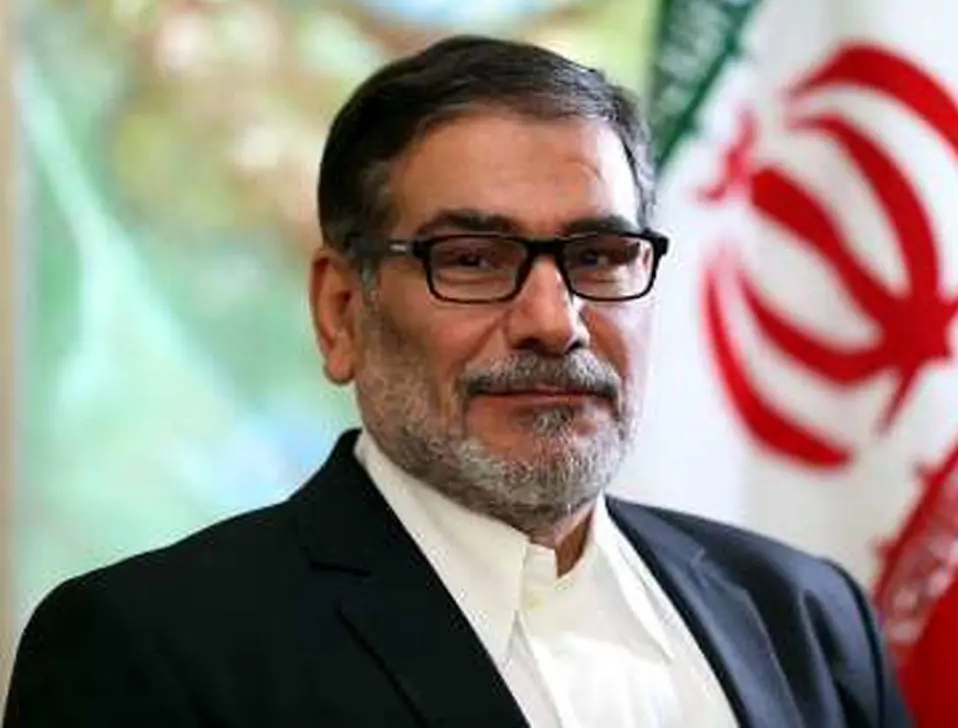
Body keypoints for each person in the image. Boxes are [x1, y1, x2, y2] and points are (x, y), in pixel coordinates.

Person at [4, 36, 911, 728]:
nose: (555, 321)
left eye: (599, 255)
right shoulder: (152, 653)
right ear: (341, 312)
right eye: (473, 258)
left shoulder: (805, 618)